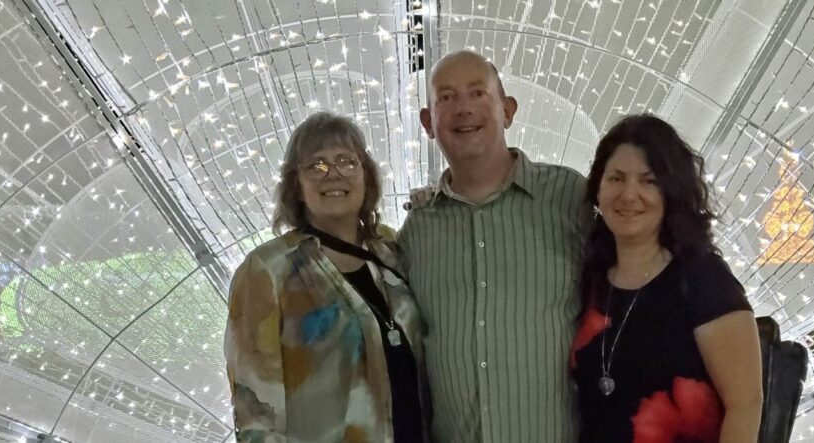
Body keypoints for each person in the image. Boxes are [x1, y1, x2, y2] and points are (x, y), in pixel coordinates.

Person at [397, 50, 588, 442]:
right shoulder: (418, 229)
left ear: (508, 110)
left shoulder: (570, 198)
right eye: (446, 98)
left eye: (477, 93)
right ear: (428, 123)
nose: (463, 109)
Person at [224, 112, 426, 442]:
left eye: (347, 162)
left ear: (367, 177)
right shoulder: (267, 270)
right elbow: (256, 413)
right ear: (297, 186)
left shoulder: (391, 251)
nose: (333, 174)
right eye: (316, 165)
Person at [570, 114, 763, 443]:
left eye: (649, 181)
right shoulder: (590, 280)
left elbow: (746, 405)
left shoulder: (703, 279)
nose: (629, 195)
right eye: (616, 178)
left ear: (672, 190)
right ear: (598, 188)